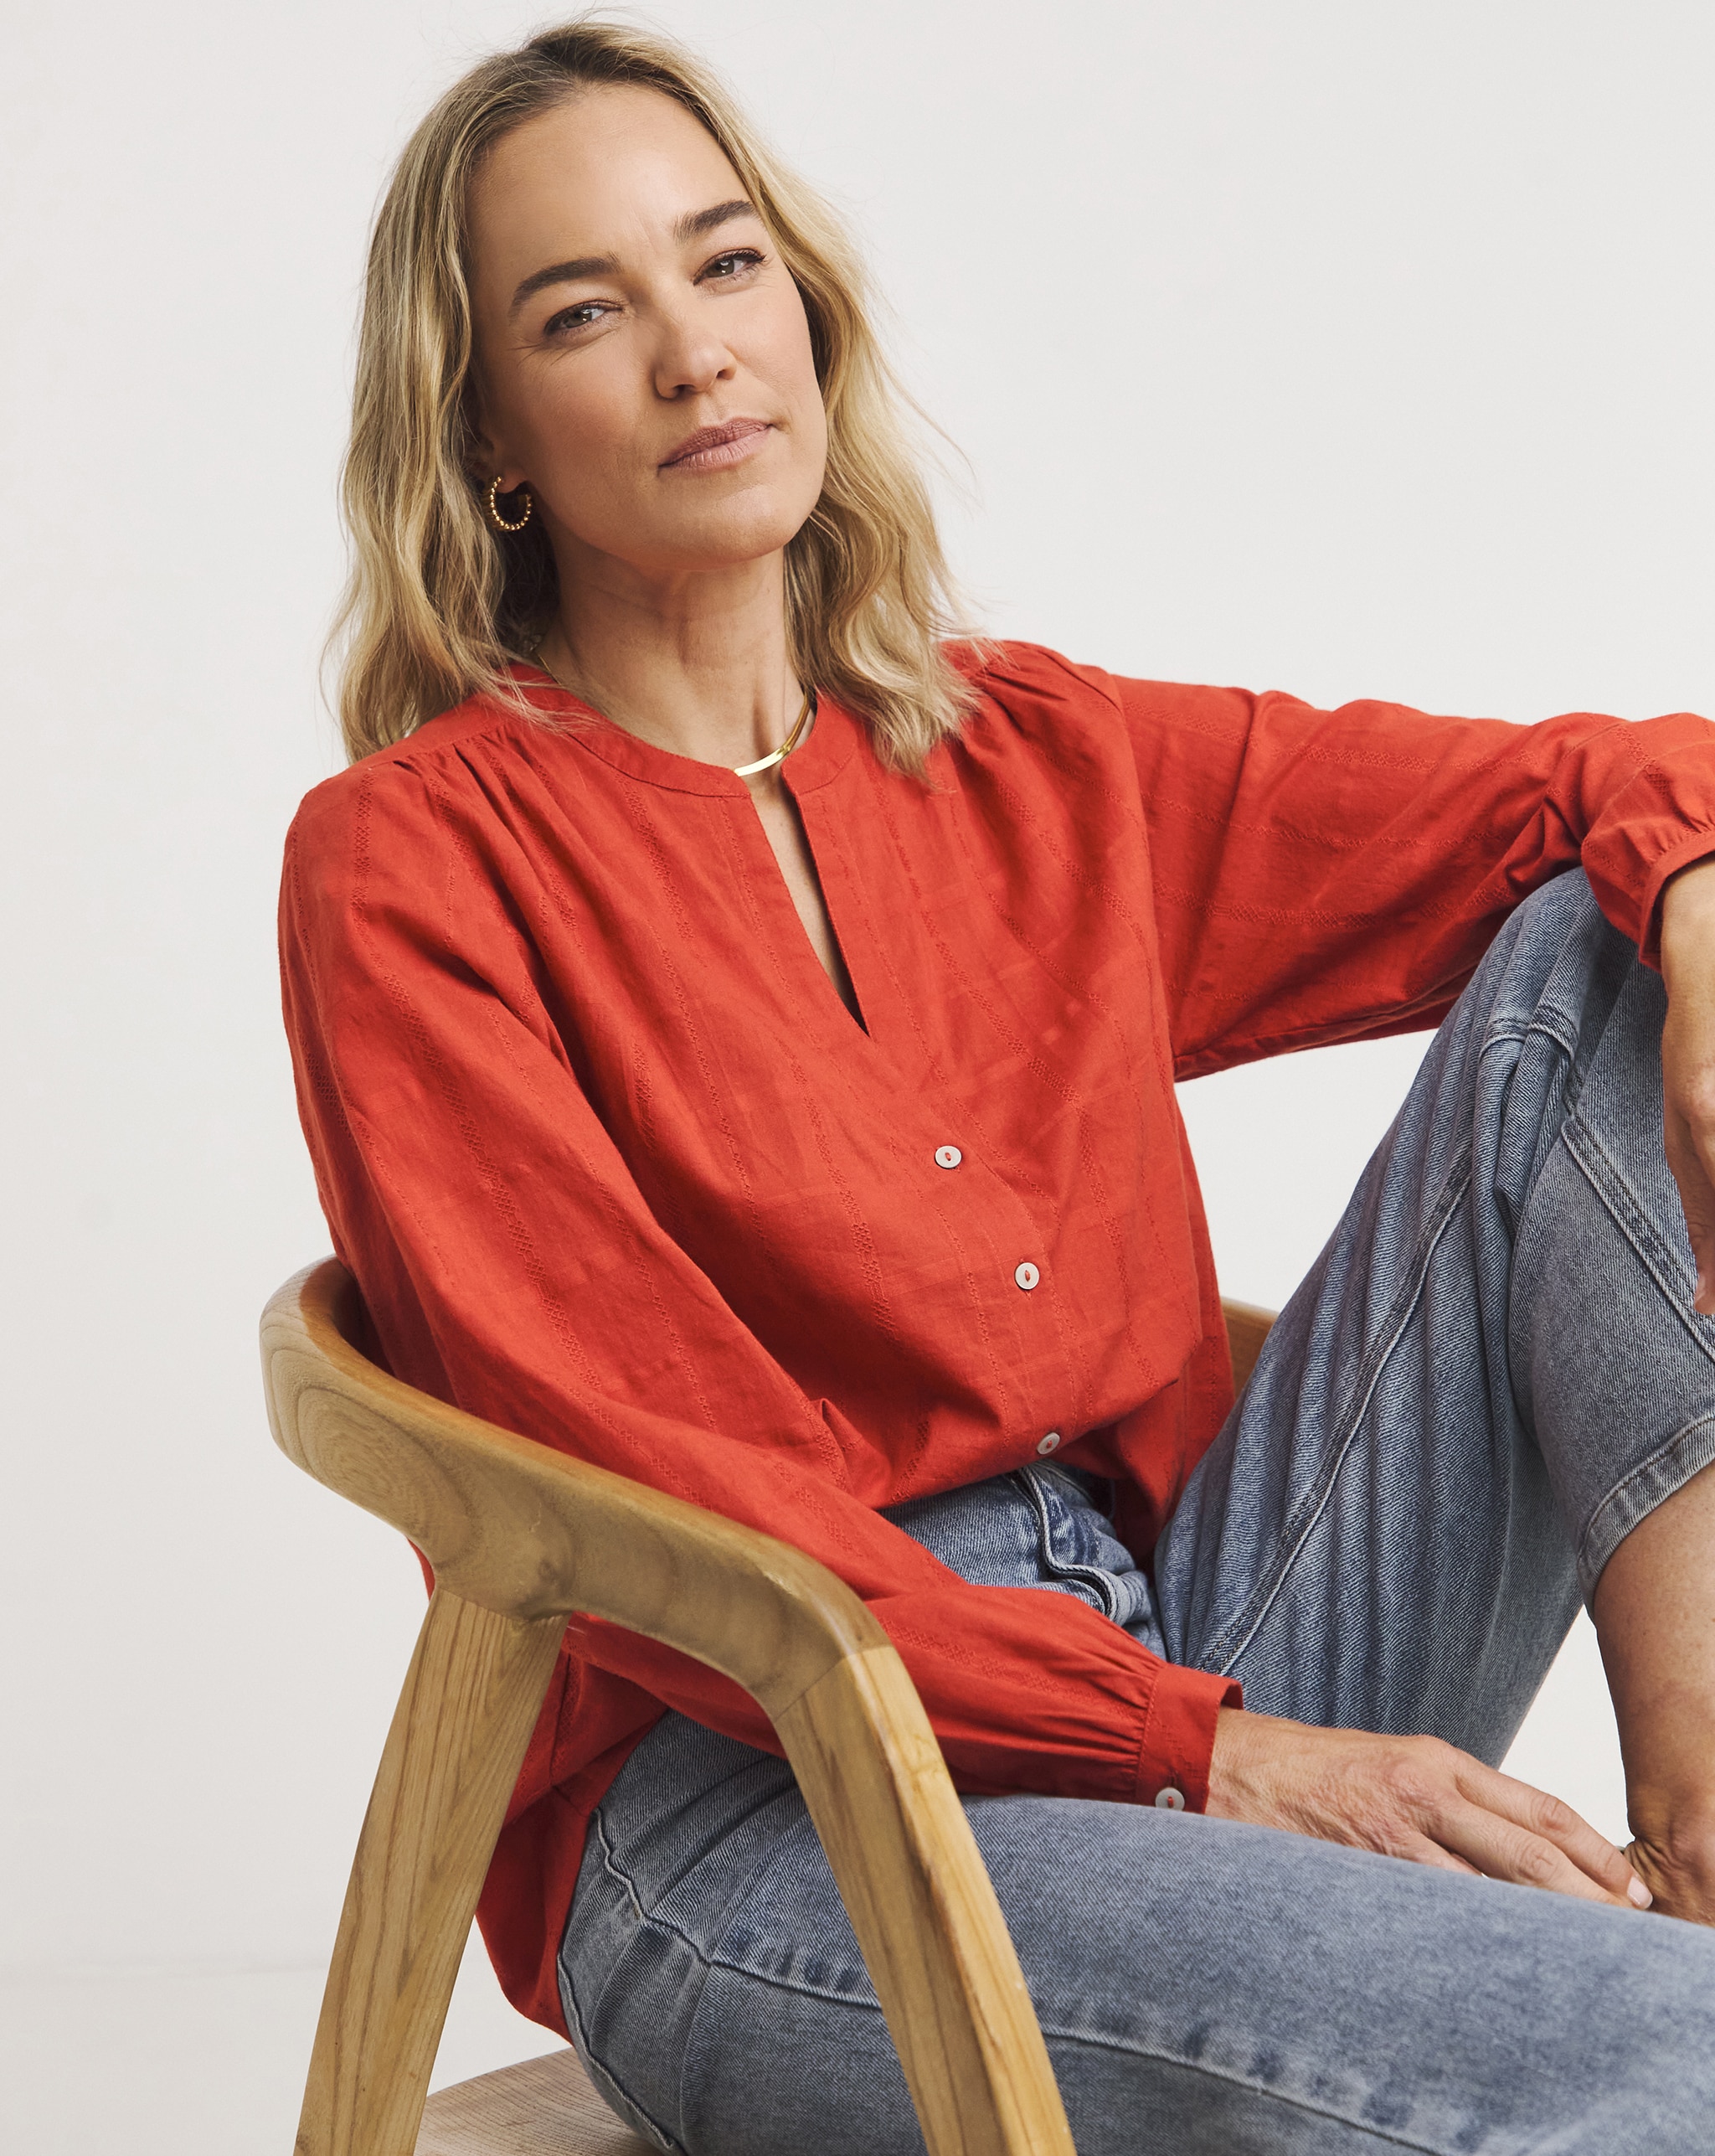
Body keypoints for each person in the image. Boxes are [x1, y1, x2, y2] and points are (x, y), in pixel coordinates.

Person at [280, 20, 1715, 2153]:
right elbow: (660, 1477)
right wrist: (1213, 1753)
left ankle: (1700, 1808)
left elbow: (1610, 787)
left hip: (1189, 1640)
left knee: (1600, 936)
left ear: (811, 312)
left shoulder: (1027, 757)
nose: (695, 355)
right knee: (1651, 2053)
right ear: (488, 430)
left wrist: (1692, 914)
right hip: (773, 1796)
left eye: (728, 264)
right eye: (587, 313)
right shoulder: (417, 865)